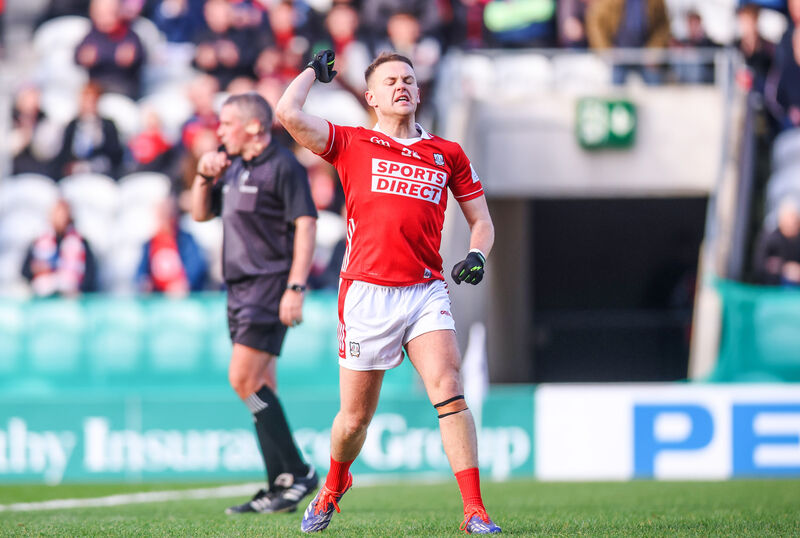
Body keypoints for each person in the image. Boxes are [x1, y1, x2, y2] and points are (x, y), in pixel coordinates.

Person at [276, 51, 501, 534]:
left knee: (449, 387)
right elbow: (287, 114)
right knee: (355, 419)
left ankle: (474, 510)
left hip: (425, 290)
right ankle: (335, 484)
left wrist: (478, 255)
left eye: (409, 80)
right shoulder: (351, 142)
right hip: (366, 294)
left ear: (419, 92)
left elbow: (481, 221)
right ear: (372, 97)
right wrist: (313, 73)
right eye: (390, 81)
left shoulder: (449, 153)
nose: (402, 86)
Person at [191, 92, 319, 515]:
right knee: (263, 389)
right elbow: (199, 215)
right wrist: (202, 175)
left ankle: (299, 472)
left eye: (226, 123)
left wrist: (295, 287)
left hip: (269, 286)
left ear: (253, 126)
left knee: (242, 380)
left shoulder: (284, 166)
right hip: (238, 289)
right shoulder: (231, 167)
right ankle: (278, 485)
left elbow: (306, 226)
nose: (220, 131)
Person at [21, 199, 98, 297]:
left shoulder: (81, 242)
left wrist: (80, 291)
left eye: (62, 215)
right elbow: (25, 271)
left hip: (69, 298)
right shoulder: (38, 242)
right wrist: (36, 269)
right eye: (56, 214)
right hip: (44, 297)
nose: (59, 218)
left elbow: (90, 273)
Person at [136, 197, 208, 295]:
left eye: (168, 215)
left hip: (183, 297)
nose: (165, 219)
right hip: (157, 297)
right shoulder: (150, 244)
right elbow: (140, 273)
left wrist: (184, 284)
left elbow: (196, 267)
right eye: (162, 215)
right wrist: (145, 284)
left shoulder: (186, 241)